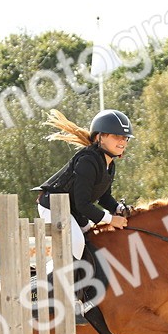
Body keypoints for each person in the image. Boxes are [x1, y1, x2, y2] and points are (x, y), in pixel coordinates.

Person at [35, 108, 131, 263]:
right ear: (100, 137)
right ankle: (55, 284)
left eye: (125, 138)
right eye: (117, 136)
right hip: (53, 207)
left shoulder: (109, 165)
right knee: (77, 243)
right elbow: (83, 204)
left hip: (73, 210)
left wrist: (118, 209)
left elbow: (104, 197)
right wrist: (110, 220)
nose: (122, 141)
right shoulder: (87, 161)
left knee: (94, 239)